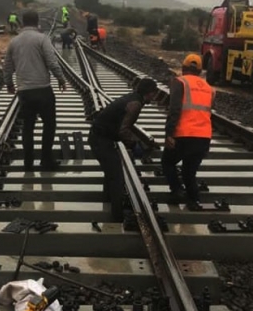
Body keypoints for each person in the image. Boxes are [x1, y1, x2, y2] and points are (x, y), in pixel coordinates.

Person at [4, 10, 67, 172]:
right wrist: (61, 79)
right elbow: (52, 62)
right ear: (37, 22)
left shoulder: (14, 41)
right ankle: (46, 160)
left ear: (22, 23)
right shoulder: (42, 39)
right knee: (49, 125)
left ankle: (28, 162)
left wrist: (9, 84)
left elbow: (8, 66)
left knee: (28, 126)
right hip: (43, 90)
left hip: (25, 92)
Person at [88, 78, 159, 221]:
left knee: (111, 173)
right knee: (117, 177)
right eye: (154, 93)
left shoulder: (133, 99)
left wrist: (143, 140)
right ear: (149, 93)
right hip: (101, 140)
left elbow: (126, 125)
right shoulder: (136, 104)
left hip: (99, 137)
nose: (155, 96)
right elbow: (123, 130)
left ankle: (109, 202)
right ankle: (118, 216)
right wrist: (135, 144)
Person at [162, 54, 215, 211]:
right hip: (204, 137)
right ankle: (193, 199)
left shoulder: (180, 82)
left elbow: (175, 109)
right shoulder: (209, 88)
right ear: (199, 71)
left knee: (168, 162)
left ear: (184, 68)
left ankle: (177, 190)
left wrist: (169, 133)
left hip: (183, 134)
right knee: (189, 171)